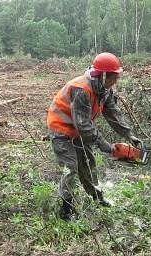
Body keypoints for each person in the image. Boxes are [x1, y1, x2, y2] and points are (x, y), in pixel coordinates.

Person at [46, 52, 142, 221]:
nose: (115, 81)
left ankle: (97, 197)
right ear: (103, 75)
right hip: (61, 128)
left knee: (89, 164)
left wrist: (129, 135)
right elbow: (83, 125)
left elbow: (113, 114)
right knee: (72, 168)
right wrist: (105, 145)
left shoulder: (105, 90)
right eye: (113, 77)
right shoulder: (81, 89)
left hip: (78, 129)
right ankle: (66, 210)